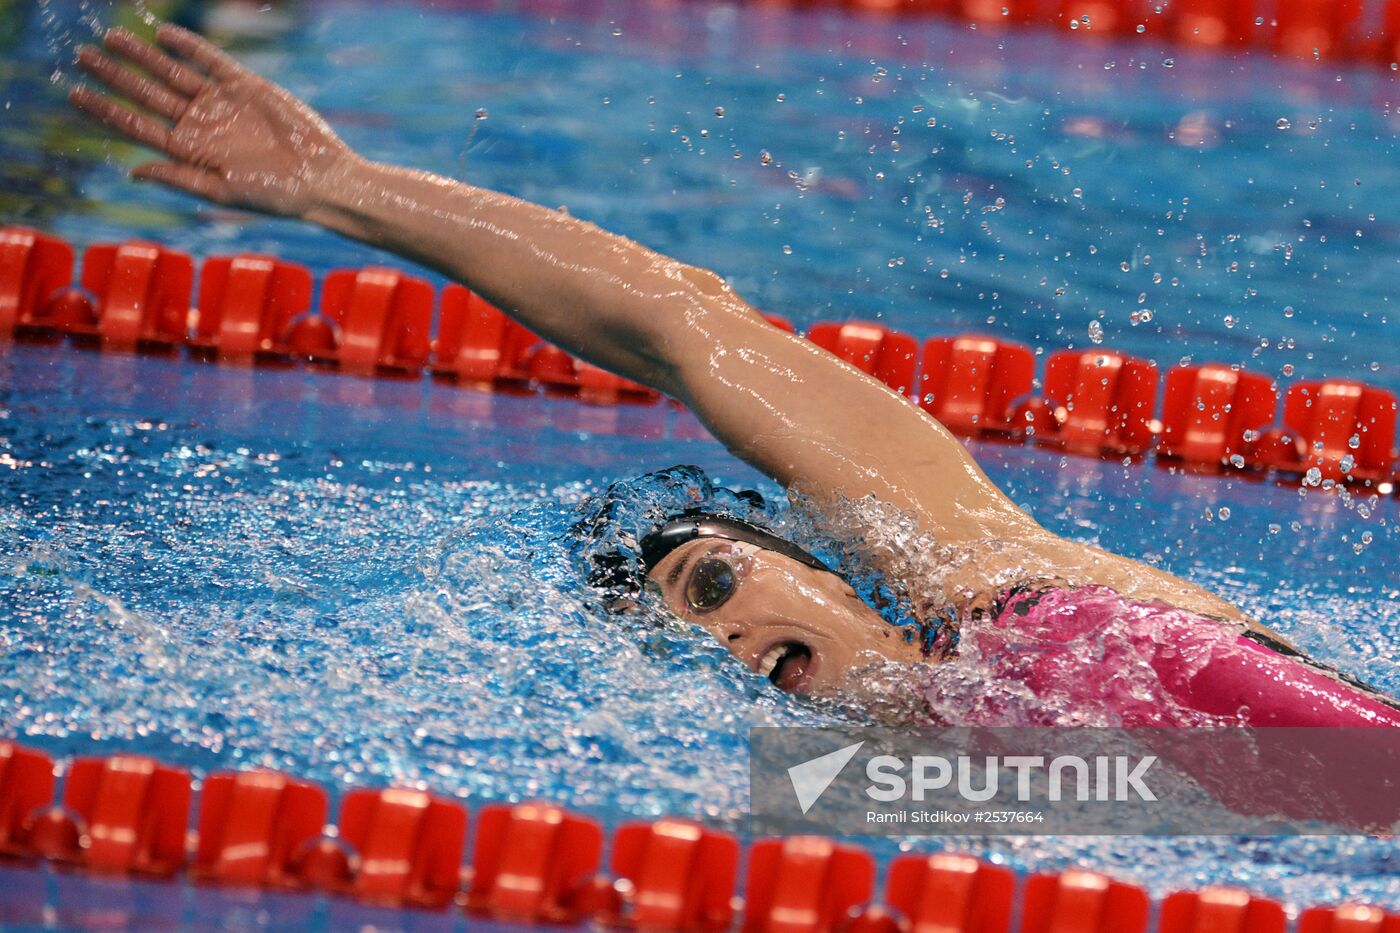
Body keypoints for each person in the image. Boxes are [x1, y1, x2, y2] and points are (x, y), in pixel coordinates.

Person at [68, 23, 1400, 726]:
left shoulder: (976, 578)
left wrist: (346, 190)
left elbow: (682, 327)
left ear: (817, 561)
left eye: (711, 583)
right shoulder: (881, 804)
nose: (725, 639)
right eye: (685, 644)